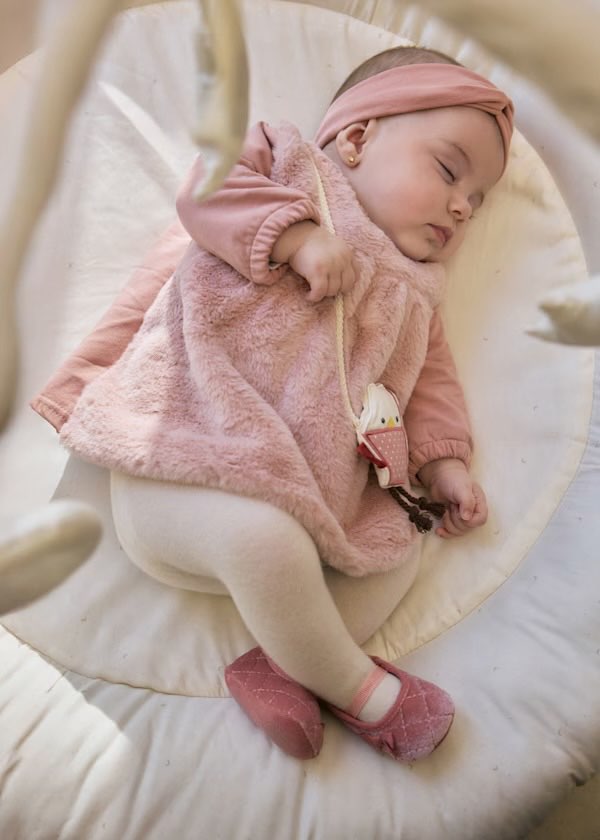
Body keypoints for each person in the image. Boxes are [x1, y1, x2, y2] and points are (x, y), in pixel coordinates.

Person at [34, 45, 514, 762]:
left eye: (476, 202)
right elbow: (207, 188)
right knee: (263, 539)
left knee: (397, 551)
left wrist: (445, 465)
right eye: (450, 171)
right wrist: (296, 237)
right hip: (186, 460)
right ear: (357, 139)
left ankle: (282, 665)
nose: (460, 206)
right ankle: (361, 692)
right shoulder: (289, 168)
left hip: (313, 503)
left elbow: (432, 384)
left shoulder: (419, 291)